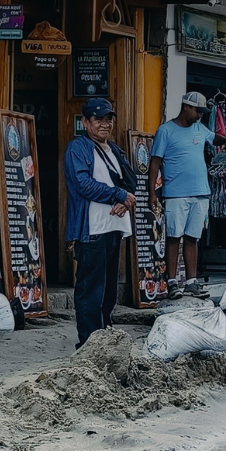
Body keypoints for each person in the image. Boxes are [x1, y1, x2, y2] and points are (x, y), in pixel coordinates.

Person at [64, 98, 136, 346]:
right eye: (98, 119)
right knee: (90, 289)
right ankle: (88, 342)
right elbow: (83, 185)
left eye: (109, 119)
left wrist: (124, 199)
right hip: (91, 229)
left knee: (108, 291)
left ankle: (104, 335)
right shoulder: (78, 148)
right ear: (85, 122)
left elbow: (130, 180)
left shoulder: (114, 149)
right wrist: (117, 195)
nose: (105, 124)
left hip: (114, 228)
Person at [150, 91, 226, 296]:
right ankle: (171, 282)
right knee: (173, 237)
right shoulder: (166, 131)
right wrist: (151, 192)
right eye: (197, 111)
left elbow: (215, 138)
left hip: (200, 193)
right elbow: (155, 163)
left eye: (202, 112)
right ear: (186, 107)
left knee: (192, 238)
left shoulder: (199, 128)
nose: (199, 115)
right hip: (176, 194)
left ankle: (191, 281)